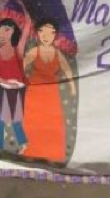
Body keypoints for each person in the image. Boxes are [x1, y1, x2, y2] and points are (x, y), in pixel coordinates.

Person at [22, 19, 76, 163]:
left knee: (52, 123)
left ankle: (51, 154)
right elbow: (22, 65)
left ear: (55, 35)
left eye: (50, 32)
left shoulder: (58, 54)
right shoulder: (34, 51)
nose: (46, 36)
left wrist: (72, 86)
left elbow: (67, 70)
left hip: (51, 93)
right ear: (37, 33)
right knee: (34, 122)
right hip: (35, 92)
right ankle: (32, 152)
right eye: (42, 32)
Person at [0, 16, 31, 153]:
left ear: (13, 31)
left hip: (17, 90)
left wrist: (25, 9)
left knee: (16, 119)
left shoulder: (18, 50)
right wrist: (5, 82)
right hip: (2, 89)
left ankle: (23, 144)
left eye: (6, 30)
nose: (2, 33)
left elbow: (27, 27)